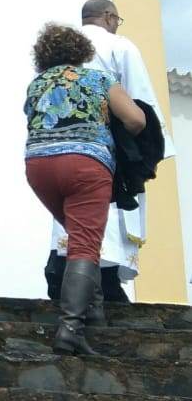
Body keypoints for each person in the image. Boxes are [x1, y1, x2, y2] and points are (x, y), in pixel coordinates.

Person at [23, 23, 145, 356]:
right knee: (86, 241)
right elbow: (136, 120)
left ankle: (95, 307)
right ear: (81, 51)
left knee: (79, 236)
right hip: (86, 164)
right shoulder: (99, 79)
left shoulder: (37, 84)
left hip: (39, 167)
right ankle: (71, 329)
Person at [47, 0, 175, 301]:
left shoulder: (64, 52)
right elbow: (141, 103)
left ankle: (61, 272)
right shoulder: (120, 46)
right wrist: (152, 150)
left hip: (60, 147)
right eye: (118, 18)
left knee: (70, 214)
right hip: (107, 146)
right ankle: (103, 281)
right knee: (109, 211)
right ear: (108, 16)